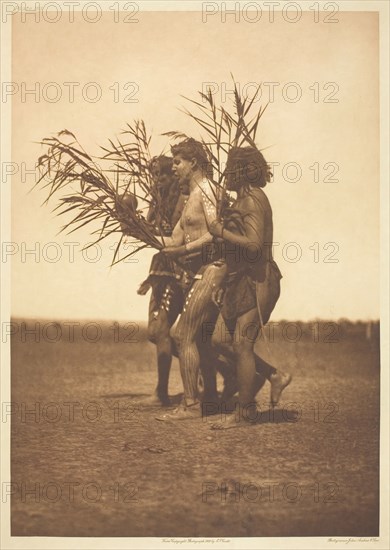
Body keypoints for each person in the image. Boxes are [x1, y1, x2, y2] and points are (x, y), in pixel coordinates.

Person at [209, 146, 292, 429]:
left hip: (259, 279)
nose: (225, 175)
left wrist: (221, 232)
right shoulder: (241, 201)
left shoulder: (253, 200)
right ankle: (272, 375)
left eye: (230, 169)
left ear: (242, 171)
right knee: (219, 339)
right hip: (241, 278)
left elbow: (255, 246)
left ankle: (245, 414)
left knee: (242, 345)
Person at [155, 138, 228, 420]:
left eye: (177, 162)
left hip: (213, 269)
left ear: (193, 163)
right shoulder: (191, 197)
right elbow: (172, 238)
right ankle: (206, 397)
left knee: (181, 334)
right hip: (202, 270)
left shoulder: (206, 190)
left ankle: (191, 404)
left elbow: (216, 232)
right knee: (198, 338)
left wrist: (184, 250)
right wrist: (134, 229)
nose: (174, 168)